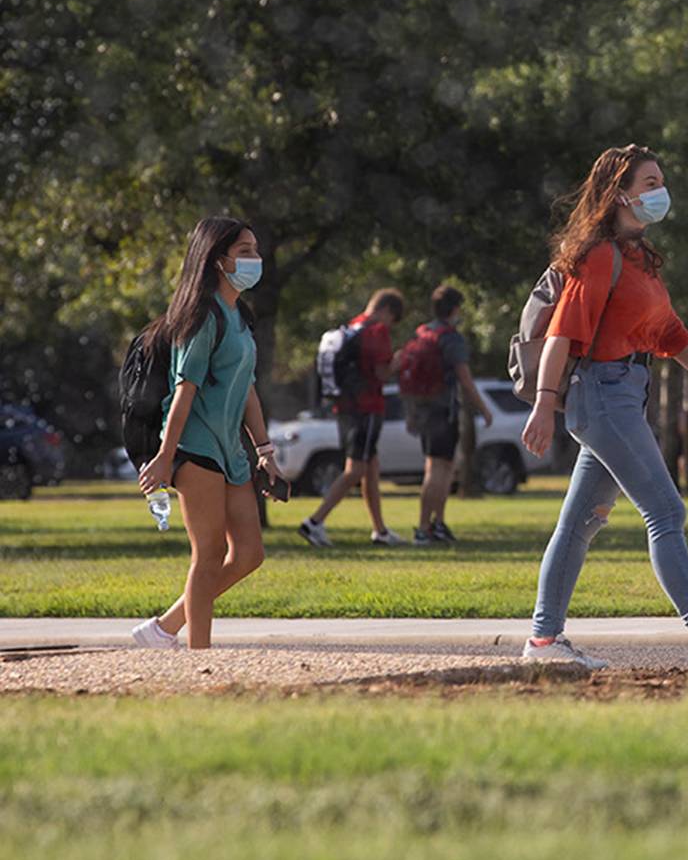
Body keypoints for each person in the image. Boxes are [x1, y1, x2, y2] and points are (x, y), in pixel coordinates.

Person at [520, 144, 688, 670]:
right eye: (650, 183)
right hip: (601, 396)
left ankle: (544, 642)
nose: (660, 192)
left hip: (624, 394)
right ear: (621, 193)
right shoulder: (600, 255)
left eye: (660, 181)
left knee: (579, 524)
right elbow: (563, 335)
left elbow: (671, 334)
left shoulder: (639, 257)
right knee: (666, 511)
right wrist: (544, 404)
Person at [132, 216, 284, 650]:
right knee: (209, 554)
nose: (255, 259)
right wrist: (165, 455)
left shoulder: (240, 316)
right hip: (195, 449)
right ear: (218, 261)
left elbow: (247, 387)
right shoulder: (202, 318)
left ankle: (162, 628)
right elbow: (185, 391)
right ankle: (198, 656)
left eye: (255, 250)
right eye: (245, 252)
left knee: (250, 553)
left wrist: (264, 449)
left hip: (230, 451)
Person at [299, 288, 405, 547]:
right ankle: (314, 522)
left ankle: (379, 531)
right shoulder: (377, 331)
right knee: (356, 468)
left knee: (371, 468)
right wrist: (398, 362)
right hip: (367, 408)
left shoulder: (350, 327)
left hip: (345, 407)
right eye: (393, 320)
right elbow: (381, 373)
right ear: (388, 311)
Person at [408, 284, 493, 546]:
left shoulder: (423, 333)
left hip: (424, 410)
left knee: (440, 467)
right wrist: (484, 409)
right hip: (444, 410)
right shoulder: (451, 338)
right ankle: (424, 528)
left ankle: (438, 523)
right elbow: (465, 380)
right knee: (438, 469)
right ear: (455, 309)